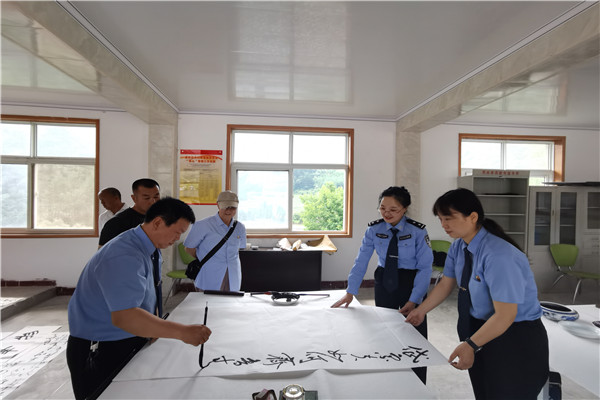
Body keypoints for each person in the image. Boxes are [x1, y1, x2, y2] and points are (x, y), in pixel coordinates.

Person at [405, 188, 549, 399]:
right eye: (441, 219)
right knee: (485, 392)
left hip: (515, 338)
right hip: (481, 331)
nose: (444, 225)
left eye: (449, 218)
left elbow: (505, 315)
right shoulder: (458, 247)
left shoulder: (499, 255)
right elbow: (446, 284)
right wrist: (420, 311)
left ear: (472, 217)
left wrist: (471, 345)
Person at [67, 197, 211, 400]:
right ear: (158, 222)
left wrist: (154, 326)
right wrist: (182, 332)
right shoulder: (124, 255)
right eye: (177, 232)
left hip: (127, 338)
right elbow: (125, 317)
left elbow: (147, 292)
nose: (177, 239)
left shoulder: (148, 247)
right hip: (101, 346)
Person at [332, 186, 433, 384]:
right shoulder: (374, 229)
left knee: (415, 334)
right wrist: (350, 291)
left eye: (393, 209)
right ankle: (389, 378)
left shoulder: (417, 231)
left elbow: (425, 268)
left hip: (412, 282)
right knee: (384, 330)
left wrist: (414, 299)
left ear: (404, 209)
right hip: (385, 280)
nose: (387, 213)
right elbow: (361, 261)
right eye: (383, 208)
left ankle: (418, 382)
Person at [184, 190, 247, 291]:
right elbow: (189, 248)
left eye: (233, 207)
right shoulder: (202, 225)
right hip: (210, 274)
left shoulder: (240, 227)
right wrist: (205, 258)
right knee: (208, 300)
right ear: (218, 205)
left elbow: (240, 248)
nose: (229, 211)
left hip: (233, 275)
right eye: (225, 207)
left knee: (231, 300)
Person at [99, 178, 160, 247]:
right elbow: (103, 252)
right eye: (147, 198)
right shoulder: (116, 223)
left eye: (156, 197)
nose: (153, 201)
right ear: (134, 198)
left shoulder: (157, 219)